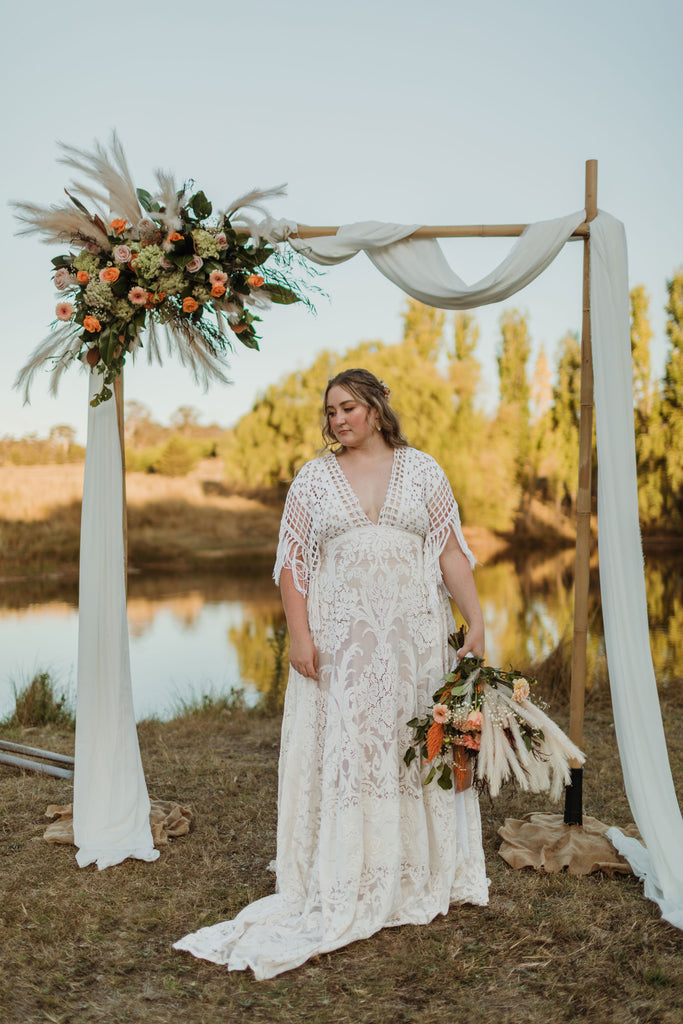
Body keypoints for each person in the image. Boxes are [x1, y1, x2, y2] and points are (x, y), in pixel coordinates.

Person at [174, 368, 489, 979]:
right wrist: (299, 633)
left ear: (376, 407)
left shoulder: (424, 471)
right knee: (352, 750)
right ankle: (351, 871)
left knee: (410, 746)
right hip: (343, 643)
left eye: (348, 407)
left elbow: (451, 550)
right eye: (331, 412)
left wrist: (473, 619)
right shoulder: (313, 481)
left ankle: (417, 870)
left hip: (415, 642)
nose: (338, 420)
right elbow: (292, 564)